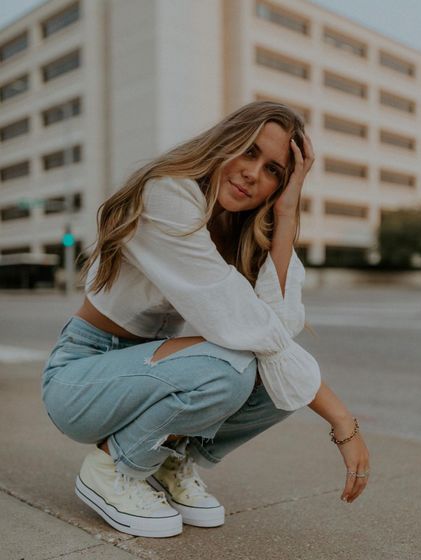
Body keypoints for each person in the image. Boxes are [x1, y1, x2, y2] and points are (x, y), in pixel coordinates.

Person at [41, 101, 370, 538]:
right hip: (81, 377)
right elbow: (251, 328)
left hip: (147, 367)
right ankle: (111, 467)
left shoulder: (237, 230)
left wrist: (287, 212)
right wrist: (341, 420)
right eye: (249, 151)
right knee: (235, 368)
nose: (254, 173)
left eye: (274, 170)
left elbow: (281, 324)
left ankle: (172, 461)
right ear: (224, 142)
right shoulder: (167, 195)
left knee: (276, 384)